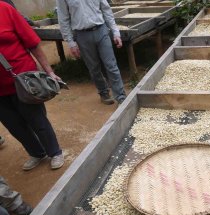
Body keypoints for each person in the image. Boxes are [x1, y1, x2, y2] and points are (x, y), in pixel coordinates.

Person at [0, 1, 64, 171]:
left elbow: (32, 43)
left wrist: (49, 71)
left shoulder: (5, 9)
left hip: (22, 79)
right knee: (14, 125)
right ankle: (36, 153)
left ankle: (54, 152)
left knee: (36, 119)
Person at [57, 0, 126, 105]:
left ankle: (120, 96)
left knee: (111, 65)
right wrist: (71, 42)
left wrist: (115, 32)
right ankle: (103, 92)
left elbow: (106, 10)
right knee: (94, 68)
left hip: (101, 30)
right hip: (82, 34)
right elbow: (63, 18)